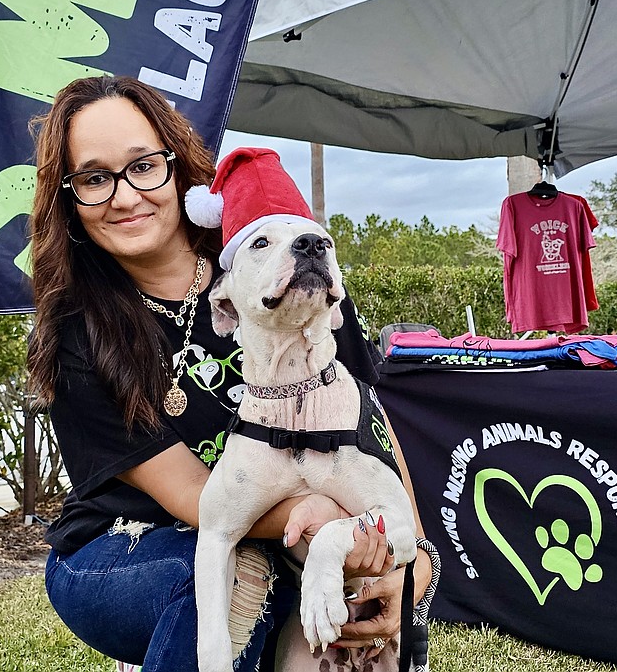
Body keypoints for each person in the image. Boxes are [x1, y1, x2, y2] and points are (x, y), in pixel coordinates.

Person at [26, 75, 432, 671]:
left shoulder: (280, 268)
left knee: (329, 608)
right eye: (94, 178)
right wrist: (321, 522)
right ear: (69, 198)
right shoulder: (80, 332)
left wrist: (406, 565)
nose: (124, 195)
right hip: (121, 547)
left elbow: (371, 440)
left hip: (291, 533)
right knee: (238, 576)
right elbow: (197, 499)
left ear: (176, 166)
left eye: (143, 166)